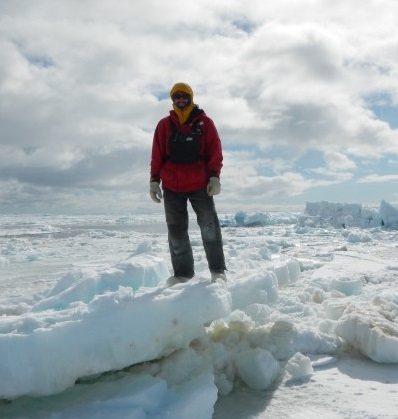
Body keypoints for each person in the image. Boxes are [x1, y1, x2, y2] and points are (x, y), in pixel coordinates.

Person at [149, 82, 227, 285]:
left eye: (184, 96)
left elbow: (215, 151)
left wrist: (214, 177)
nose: (181, 99)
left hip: (200, 184)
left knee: (210, 228)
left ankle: (217, 271)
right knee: (176, 233)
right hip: (172, 187)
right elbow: (157, 155)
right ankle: (183, 274)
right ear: (173, 100)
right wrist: (154, 181)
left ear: (191, 98)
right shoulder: (164, 125)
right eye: (177, 97)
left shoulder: (205, 123)